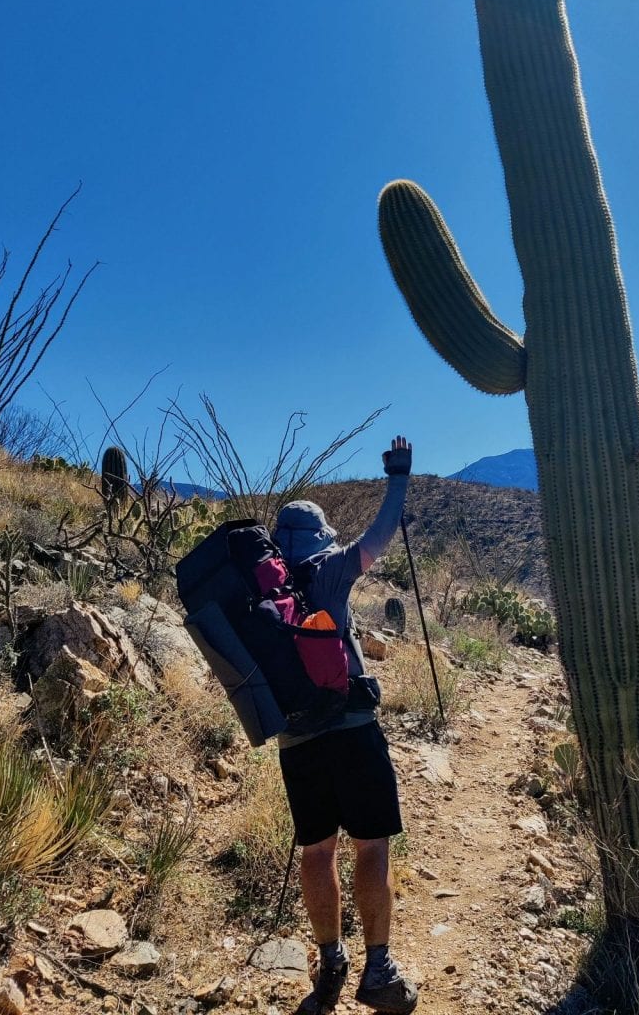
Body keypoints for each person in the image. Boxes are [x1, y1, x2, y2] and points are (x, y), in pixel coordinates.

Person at [273, 435, 418, 1015]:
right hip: (353, 726)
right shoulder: (329, 570)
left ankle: (330, 962)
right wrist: (399, 477)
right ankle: (378, 969)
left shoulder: (266, 588)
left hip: (296, 738)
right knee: (371, 843)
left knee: (316, 851)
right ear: (319, 537)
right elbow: (379, 537)